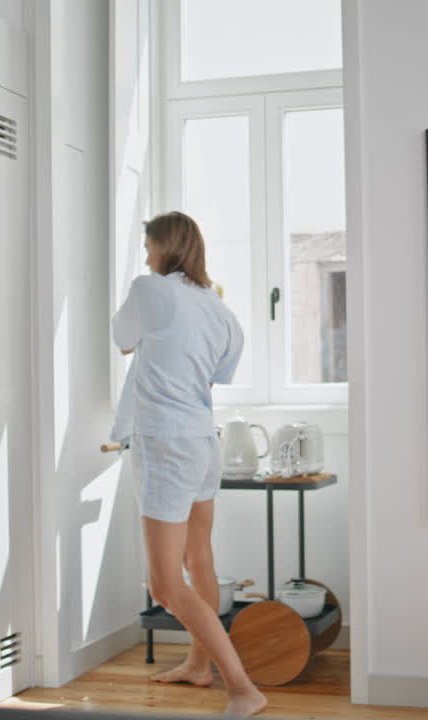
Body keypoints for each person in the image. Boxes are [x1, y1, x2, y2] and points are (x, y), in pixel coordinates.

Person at [111, 211, 266, 718]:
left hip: (166, 446)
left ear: (164, 247)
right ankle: (199, 665)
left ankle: (241, 687)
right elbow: (217, 373)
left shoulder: (151, 289)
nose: (145, 256)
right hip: (203, 442)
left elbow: (122, 338)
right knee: (200, 560)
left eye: (148, 246)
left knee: (165, 584)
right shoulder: (218, 308)